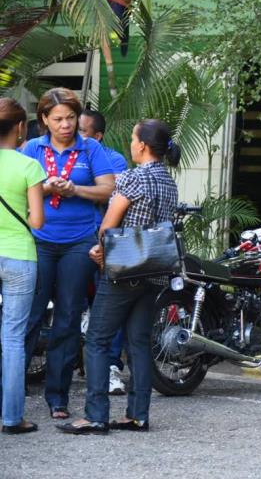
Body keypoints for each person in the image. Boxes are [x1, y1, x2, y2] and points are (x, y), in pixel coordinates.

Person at [57, 119, 180, 434]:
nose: (131, 143)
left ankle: (96, 414)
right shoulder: (169, 181)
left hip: (125, 269)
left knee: (97, 339)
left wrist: (100, 250)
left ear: (141, 145)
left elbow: (109, 224)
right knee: (138, 342)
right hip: (155, 271)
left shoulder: (132, 177)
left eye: (133, 138)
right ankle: (138, 415)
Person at [20, 87, 115, 420]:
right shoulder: (32, 148)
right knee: (29, 315)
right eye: (58, 119)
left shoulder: (91, 149)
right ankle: (13, 391)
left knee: (68, 317)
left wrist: (75, 188)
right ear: (44, 120)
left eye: (71, 118)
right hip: (38, 239)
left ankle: (57, 396)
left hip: (78, 242)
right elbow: (16, 189)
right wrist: (44, 188)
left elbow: (108, 188)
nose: (65, 125)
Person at [0, 98, 45, 434]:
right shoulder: (29, 167)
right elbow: (39, 222)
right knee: (13, 338)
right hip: (19, 257)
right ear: (19, 128)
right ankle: (12, 418)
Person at [79, 108, 129, 396]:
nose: (74, 133)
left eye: (83, 130)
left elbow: (114, 199)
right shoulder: (64, 154)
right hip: (72, 240)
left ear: (98, 136)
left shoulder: (115, 160)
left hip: (105, 242)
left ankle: (111, 367)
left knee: (109, 302)